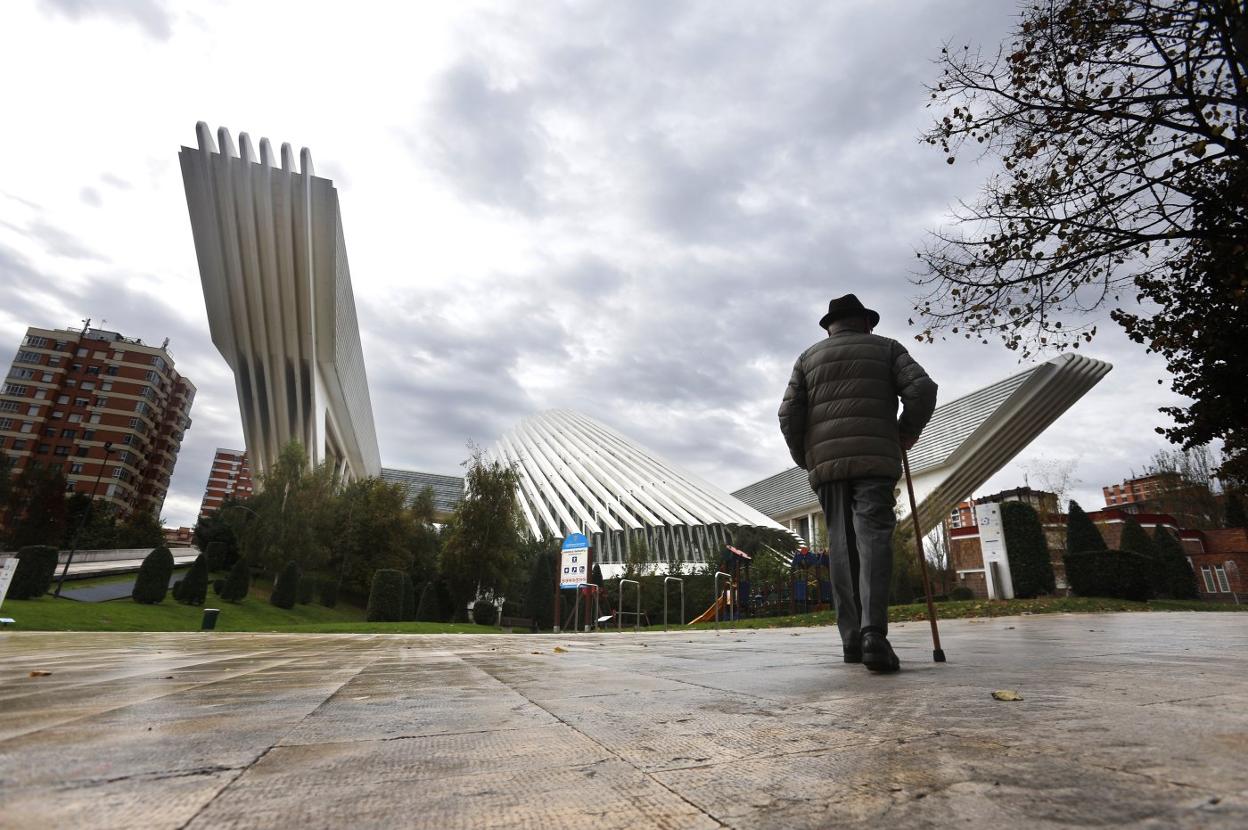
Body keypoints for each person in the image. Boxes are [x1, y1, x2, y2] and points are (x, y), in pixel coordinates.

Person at [777, 294, 937, 673]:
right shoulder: (887, 349)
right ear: (866, 322)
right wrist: (905, 432)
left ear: (830, 326)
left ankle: (851, 640)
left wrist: (806, 457)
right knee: (873, 538)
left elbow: (788, 413)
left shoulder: (807, 358)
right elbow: (923, 389)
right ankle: (873, 636)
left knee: (841, 544)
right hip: (875, 459)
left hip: (827, 466)